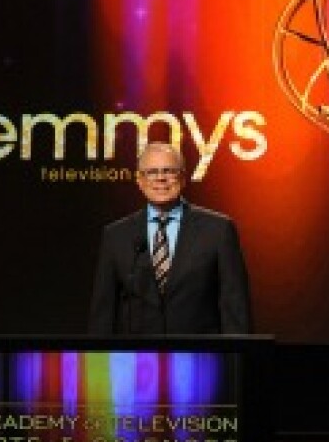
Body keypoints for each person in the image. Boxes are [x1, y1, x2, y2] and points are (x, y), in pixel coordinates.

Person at [88, 141, 252, 335]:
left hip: (200, 356)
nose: (160, 178)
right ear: (139, 180)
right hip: (137, 359)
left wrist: (236, 360)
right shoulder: (116, 235)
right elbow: (103, 312)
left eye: (169, 171)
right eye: (151, 172)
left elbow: (235, 306)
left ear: (182, 178)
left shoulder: (218, 230)